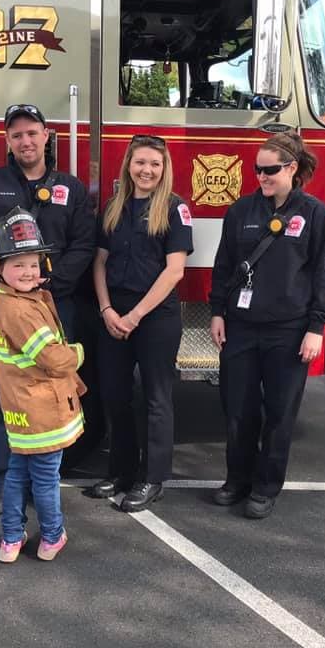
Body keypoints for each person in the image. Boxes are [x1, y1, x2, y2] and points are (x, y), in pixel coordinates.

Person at [0, 103, 95, 514]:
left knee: (53, 390)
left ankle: (46, 480)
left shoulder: (70, 189)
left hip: (54, 307)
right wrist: (5, 285)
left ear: (47, 136)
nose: (26, 141)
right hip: (1, 308)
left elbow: (83, 244)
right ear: (7, 141)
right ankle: (4, 484)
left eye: (32, 133)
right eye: (17, 134)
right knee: (4, 395)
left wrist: (50, 283)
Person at [208, 131, 325, 519]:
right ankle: (237, 481)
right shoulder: (241, 212)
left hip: (290, 330)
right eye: (257, 170)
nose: (262, 177)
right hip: (241, 328)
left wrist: (317, 327)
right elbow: (224, 265)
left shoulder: (315, 214)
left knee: (280, 414)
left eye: (270, 170)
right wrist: (218, 311)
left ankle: (265, 489)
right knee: (238, 410)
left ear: (292, 168)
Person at [0, 208, 86, 562]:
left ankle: (10, 540)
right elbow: (51, 358)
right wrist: (77, 353)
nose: (28, 272)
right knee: (46, 479)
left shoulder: (6, 302)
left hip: (19, 414)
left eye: (33, 264)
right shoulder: (21, 310)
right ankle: (52, 537)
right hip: (42, 413)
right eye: (18, 265)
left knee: (17, 475)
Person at [87, 135, 193, 512]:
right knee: (114, 394)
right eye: (140, 163)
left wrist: (134, 316)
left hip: (155, 316)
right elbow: (99, 261)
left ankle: (153, 478)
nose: (147, 170)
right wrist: (106, 310)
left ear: (164, 170)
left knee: (156, 398)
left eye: (155, 164)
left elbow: (174, 271)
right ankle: (121, 471)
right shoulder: (114, 208)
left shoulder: (175, 210)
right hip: (114, 312)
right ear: (128, 166)